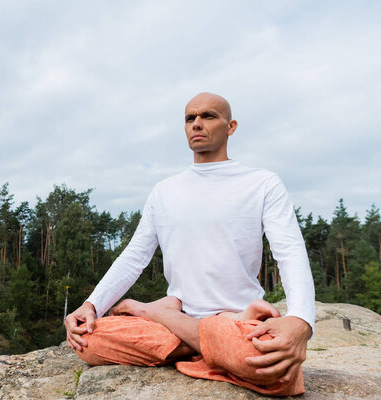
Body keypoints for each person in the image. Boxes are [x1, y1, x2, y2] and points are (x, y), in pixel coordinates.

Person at [64, 93, 315, 396]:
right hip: (192, 317)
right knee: (87, 339)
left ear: (231, 126)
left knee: (274, 368)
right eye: (189, 118)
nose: (197, 123)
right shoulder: (164, 191)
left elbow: (289, 252)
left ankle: (158, 314)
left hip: (238, 319)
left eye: (208, 116)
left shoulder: (262, 183)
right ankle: (210, 348)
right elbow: (134, 256)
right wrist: (92, 304)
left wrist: (301, 321)